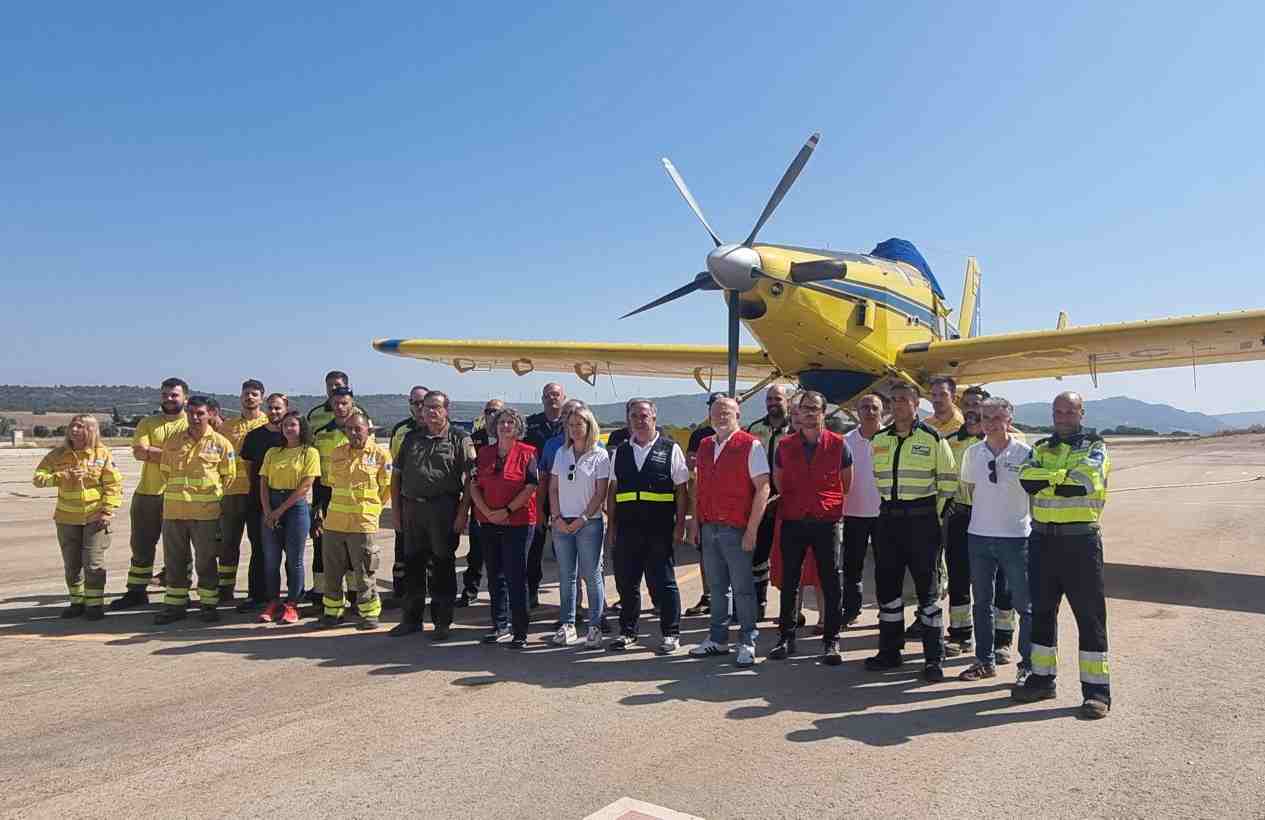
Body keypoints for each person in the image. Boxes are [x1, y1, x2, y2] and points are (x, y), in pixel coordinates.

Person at [1014, 391, 1113, 719]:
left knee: (1089, 617)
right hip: (1043, 542)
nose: (1063, 417)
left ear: (1081, 413)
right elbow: (1026, 479)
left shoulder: (1095, 447)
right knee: (1042, 612)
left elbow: (1084, 482)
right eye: (1058, 411)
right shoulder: (1040, 448)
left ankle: (1096, 692)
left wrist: (1049, 479)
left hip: (1080, 543)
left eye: (1069, 411)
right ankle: (1042, 679)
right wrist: (1059, 478)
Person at [865, 382, 957, 681]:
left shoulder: (932, 438)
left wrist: (936, 521)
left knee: (927, 592)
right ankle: (889, 651)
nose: (898, 404)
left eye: (904, 399)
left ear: (917, 404)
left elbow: (948, 483)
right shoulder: (879, 439)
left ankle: (933, 658)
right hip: (888, 521)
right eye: (894, 400)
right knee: (887, 590)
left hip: (922, 522)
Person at [769, 390, 852, 665]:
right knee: (790, 581)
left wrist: (825, 505)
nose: (808, 413)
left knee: (830, 581)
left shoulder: (839, 445)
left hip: (825, 522)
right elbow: (779, 482)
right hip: (793, 519)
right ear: (797, 412)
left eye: (814, 408)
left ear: (823, 412)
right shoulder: (785, 446)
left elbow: (845, 484)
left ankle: (831, 640)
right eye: (804, 408)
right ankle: (786, 637)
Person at [687, 396, 771, 667]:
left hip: (736, 528)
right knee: (717, 588)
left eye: (727, 412)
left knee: (743, 589)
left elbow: (763, 488)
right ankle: (718, 639)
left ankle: (747, 641)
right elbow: (699, 488)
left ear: (738, 415)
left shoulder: (750, 445)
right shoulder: (704, 445)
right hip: (709, 526)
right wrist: (695, 523)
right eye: (716, 412)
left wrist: (752, 531)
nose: (721, 416)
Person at [956, 397, 1034, 683]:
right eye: (985, 417)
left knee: (1025, 606)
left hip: (1016, 538)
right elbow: (969, 489)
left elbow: (1034, 496)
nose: (990, 423)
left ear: (1009, 421)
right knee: (982, 603)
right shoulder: (973, 453)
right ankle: (984, 661)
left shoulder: (1026, 453)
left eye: (997, 417)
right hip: (978, 536)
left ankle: (1028, 665)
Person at [606, 398, 689, 654]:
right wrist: (612, 526)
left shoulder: (671, 449)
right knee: (626, 583)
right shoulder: (620, 451)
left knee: (662, 583)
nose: (639, 421)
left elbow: (682, 490)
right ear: (628, 420)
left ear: (654, 418)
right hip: (628, 528)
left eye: (644, 416)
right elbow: (613, 489)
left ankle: (671, 633)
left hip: (659, 528)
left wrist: (680, 526)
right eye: (634, 416)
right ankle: (628, 632)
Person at [391, 390, 474, 639]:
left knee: (442, 567)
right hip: (412, 509)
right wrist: (396, 513)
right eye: (426, 407)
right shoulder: (411, 439)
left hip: (443, 509)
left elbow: (471, 480)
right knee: (412, 566)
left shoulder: (459, 438)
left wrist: (462, 513)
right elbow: (396, 476)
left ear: (447, 409)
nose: (429, 411)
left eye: (436, 407)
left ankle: (442, 622)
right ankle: (411, 619)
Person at [155, 396, 237, 624]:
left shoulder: (221, 444)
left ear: (210, 414)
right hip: (174, 512)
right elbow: (165, 471)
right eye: (191, 412)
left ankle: (208, 605)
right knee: (175, 561)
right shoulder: (173, 441)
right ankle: (175, 605)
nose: (194, 417)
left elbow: (228, 477)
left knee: (206, 561)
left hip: (205, 514)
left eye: (200, 413)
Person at [32, 415, 123, 620]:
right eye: (72, 426)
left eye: (80, 426)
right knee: (72, 565)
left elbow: (114, 485)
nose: (74, 430)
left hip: (95, 518)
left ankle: (94, 605)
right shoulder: (58, 455)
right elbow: (38, 479)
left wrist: (108, 510)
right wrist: (60, 477)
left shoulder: (102, 454)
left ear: (91, 430)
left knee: (92, 563)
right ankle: (77, 602)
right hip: (67, 519)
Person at [111, 377, 188, 610]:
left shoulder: (192, 423)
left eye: (174, 395)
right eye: (165, 394)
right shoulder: (147, 422)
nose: (169, 399)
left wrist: (155, 452)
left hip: (180, 495)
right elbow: (139, 452)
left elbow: (190, 455)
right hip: (147, 493)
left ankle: (179, 593)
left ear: (185, 397)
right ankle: (136, 591)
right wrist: (173, 455)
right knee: (142, 546)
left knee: (179, 548)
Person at [471, 407, 539, 648]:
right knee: (494, 576)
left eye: (511, 422)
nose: (505, 426)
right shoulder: (484, 453)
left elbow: (530, 487)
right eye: (501, 422)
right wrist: (487, 512)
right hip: (488, 522)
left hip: (518, 522)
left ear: (518, 427)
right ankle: (500, 625)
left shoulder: (528, 453)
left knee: (516, 575)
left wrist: (507, 511)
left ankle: (520, 630)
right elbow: (474, 485)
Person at [320, 412, 391, 630]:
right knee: (332, 571)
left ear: (367, 430)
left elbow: (386, 488)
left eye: (357, 429)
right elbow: (332, 483)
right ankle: (332, 612)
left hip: (362, 523)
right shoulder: (338, 453)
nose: (353, 433)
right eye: (348, 429)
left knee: (364, 572)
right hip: (334, 523)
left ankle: (369, 613)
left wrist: (371, 511)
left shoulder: (380, 455)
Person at [549, 405, 610, 648]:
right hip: (562, 523)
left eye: (579, 424)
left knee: (592, 574)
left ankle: (595, 625)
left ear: (589, 426)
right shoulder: (561, 454)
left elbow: (600, 492)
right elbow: (553, 488)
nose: (574, 429)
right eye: (571, 425)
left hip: (589, 524)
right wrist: (556, 517)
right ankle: (568, 624)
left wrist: (583, 519)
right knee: (566, 575)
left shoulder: (600, 455)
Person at [258, 411, 320, 625]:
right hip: (271, 505)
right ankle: (273, 602)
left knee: (294, 560)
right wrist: (267, 511)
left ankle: (292, 604)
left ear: (301, 428)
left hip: (295, 507)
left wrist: (280, 511)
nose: (288, 428)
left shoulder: (309, 452)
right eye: (285, 425)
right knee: (271, 560)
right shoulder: (272, 452)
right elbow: (263, 482)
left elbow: (305, 486)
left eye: (293, 425)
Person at [942, 384, 988, 656]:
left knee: (991, 580)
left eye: (977, 404)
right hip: (960, 515)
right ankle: (960, 635)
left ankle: (997, 638)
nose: (972, 408)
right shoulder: (950, 441)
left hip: (990, 517)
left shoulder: (1000, 439)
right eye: (967, 403)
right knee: (959, 577)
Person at [215, 379, 269, 605]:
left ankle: (258, 591)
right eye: (246, 393)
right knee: (228, 543)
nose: (250, 397)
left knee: (260, 545)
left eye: (254, 394)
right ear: (241, 397)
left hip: (258, 493)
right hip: (232, 492)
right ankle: (225, 588)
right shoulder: (226, 428)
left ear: (262, 397)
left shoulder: (270, 424)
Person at [234, 393, 288, 613]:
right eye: (271, 408)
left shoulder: (292, 435)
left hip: (287, 501)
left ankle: (291, 597)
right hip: (257, 500)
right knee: (259, 548)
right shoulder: (254, 436)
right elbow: (248, 467)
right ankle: (258, 595)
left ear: (286, 408)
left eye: (278, 408)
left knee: (289, 552)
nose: (274, 412)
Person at [746, 385, 793, 620]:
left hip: (790, 497)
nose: (773, 402)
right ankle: (758, 603)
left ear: (788, 401)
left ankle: (791, 608)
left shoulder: (797, 430)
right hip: (761, 498)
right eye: (769, 399)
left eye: (778, 398)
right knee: (758, 554)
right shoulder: (754, 429)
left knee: (790, 555)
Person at [310, 386, 355, 606]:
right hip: (327, 496)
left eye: (344, 403)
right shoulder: (321, 435)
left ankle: (356, 595)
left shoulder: (360, 433)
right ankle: (321, 594)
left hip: (353, 497)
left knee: (353, 549)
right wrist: (316, 506)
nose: (340, 407)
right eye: (336, 403)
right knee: (322, 547)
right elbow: (316, 473)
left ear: (352, 404)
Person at [841, 393, 883, 625]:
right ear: (858, 411)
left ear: (882, 411)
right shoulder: (845, 440)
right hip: (853, 512)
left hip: (883, 514)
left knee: (885, 566)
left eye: (874, 407)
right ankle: (851, 610)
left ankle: (885, 609)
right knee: (851, 567)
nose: (869, 411)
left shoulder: (890, 437)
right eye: (865, 407)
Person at [524, 382, 567, 609]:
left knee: (570, 548)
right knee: (534, 544)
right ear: (542, 398)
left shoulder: (572, 422)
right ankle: (531, 591)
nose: (552, 398)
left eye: (556, 394)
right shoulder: (530, 425)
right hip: (536, 492)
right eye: (548, 395)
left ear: (564, 397)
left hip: (565, 491)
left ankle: (572, 600)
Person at [459, 398, 503, 606]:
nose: (492, 415)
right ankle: (470, 590)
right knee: (476, 552)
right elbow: (468, 476)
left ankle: (503, 595)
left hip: (505, 506)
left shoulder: (512, 437)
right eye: (489, 411)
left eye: (496, 411)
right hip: (480, 504)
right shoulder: (474, 439)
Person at [388, 386, 429, 607]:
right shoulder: (401, 430)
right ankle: (401, 592)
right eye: (415, 403)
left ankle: (431, 595)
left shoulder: (446, 432)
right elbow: (396, 469)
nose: (420, 407)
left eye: (423, 402)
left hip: (434, 505)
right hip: (407, 500)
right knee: (403, 549)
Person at [683, 400, 718, 617]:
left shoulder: (742, 436)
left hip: (730, 506)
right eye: (713, 406)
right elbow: (691, 463)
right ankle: (708, 596)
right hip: (705, 502)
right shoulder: (700, 436)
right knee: (706, 554)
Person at [306, 370, 370, 432]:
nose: (333, 388)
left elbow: (370, 436)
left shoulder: (359, 412)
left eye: (337, 385)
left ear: (346, 386)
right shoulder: (314, 413)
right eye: (329, 385)